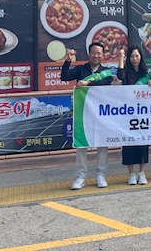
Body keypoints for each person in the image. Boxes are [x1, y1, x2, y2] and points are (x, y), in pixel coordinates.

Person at [61, 42, 115, 190]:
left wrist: (86, 83)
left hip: (101, 112)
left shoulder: (107, 72)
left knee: (102, 143)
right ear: (89, 54)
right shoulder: (80, 69)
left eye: (99, 53)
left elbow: (103, 83)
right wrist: (68, 60)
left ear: (103, 55)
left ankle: (101, 175)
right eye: (93, 53)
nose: (96, 56)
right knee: (81, 144)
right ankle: (81, 176)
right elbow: (65, 77)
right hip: (83, 112)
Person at [117, 46, 151, 185]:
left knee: (143, 143)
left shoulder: (146, 73)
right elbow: (120, 76)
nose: (134, 59)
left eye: (137, 56)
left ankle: (142, 173)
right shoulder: (126, 72)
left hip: (143, 113)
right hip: (128, 113)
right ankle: (132, 173)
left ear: (141, 57)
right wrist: (121, 58)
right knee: (128, 144)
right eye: (132, 56)